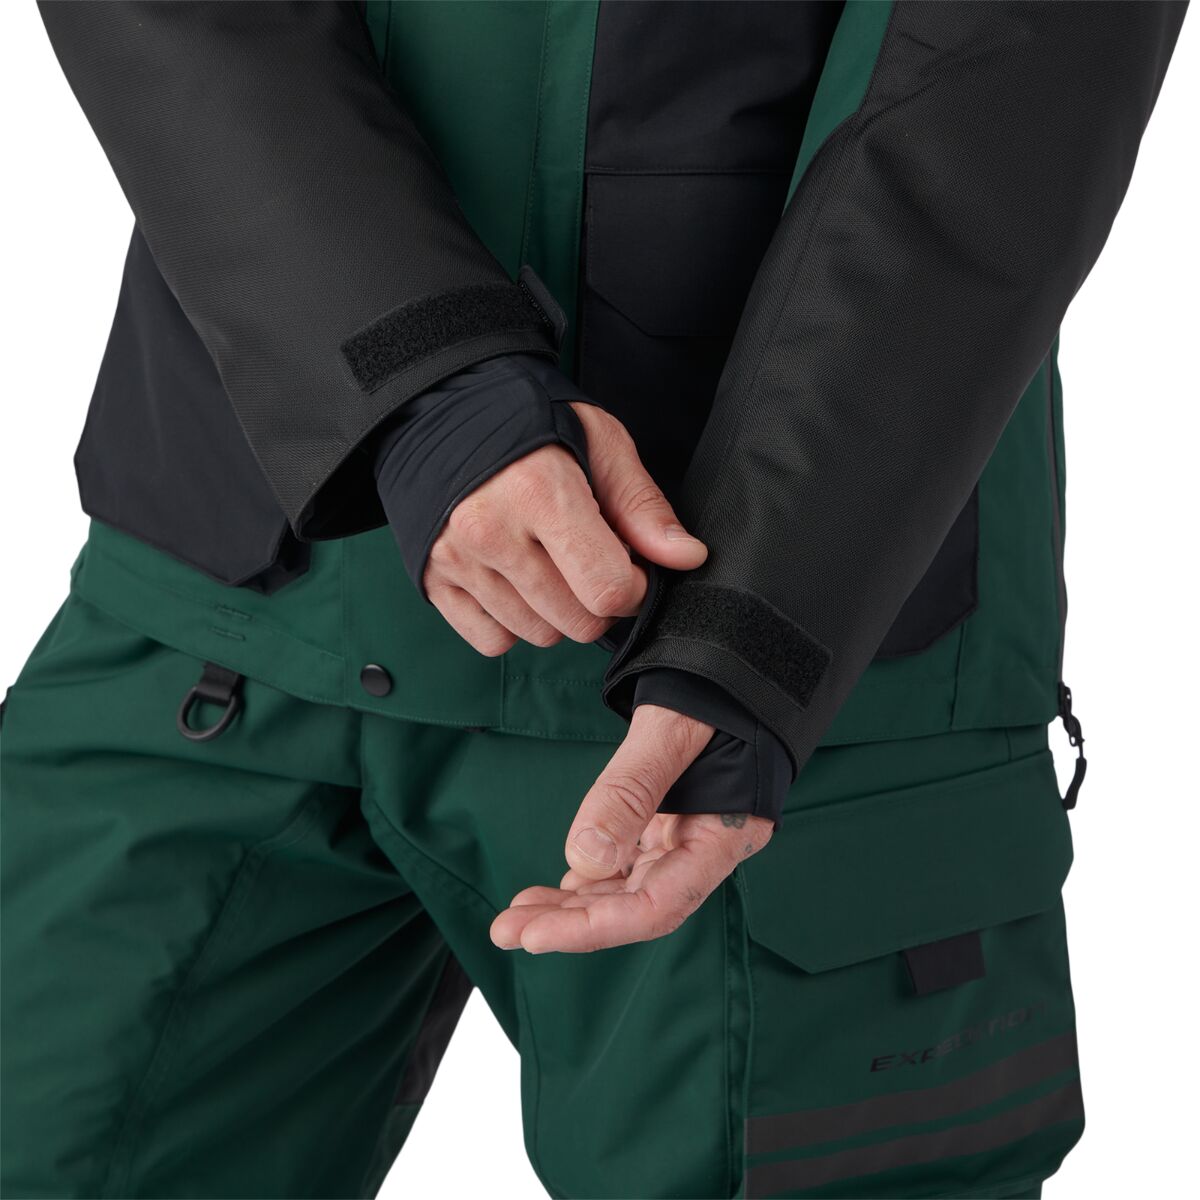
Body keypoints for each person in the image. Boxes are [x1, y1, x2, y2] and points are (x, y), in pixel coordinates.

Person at [1, 2, 1185, 1197]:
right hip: (243, 585)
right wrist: (421, 389)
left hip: (777, 642)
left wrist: (754, 641)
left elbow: (1005, 68)